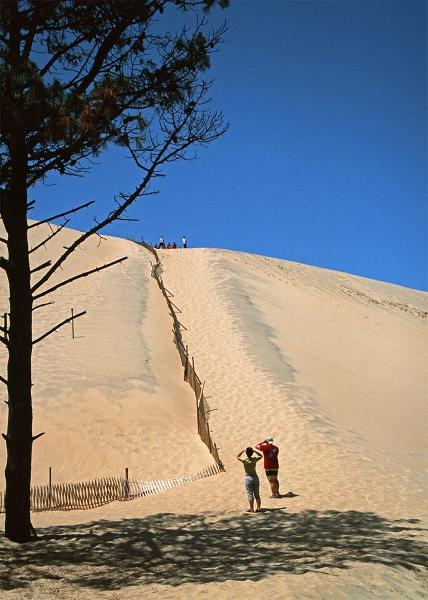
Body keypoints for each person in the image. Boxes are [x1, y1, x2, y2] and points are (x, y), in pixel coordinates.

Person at [237, 447, 263, 512]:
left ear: (246, 453)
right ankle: (259, 508)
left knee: (250, 494)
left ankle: (251, 509)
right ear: (251, 453)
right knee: (257, 494)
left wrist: (243, 451)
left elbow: (237, 456)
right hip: (255, 477)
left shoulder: (244, 460)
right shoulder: (254, 459)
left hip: (248, 478)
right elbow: (261, 456)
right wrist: (254, 451)